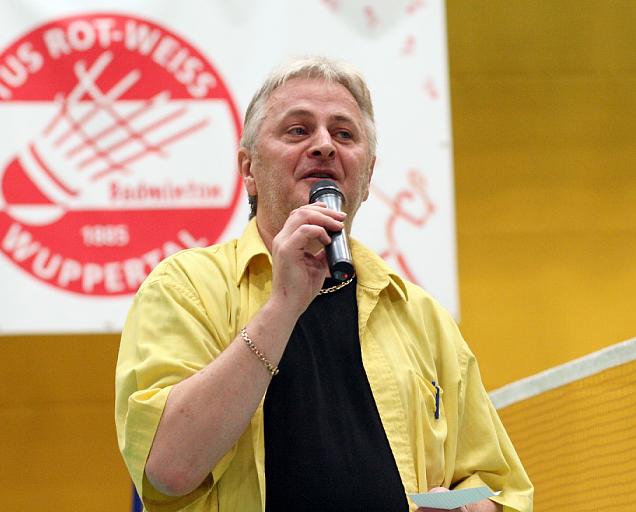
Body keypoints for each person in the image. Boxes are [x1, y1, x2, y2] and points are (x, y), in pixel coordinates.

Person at [115, 56, 533, 512]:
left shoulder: (419, 314)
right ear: (249, 171)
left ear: (368, 176)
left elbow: (498, 488)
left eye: (344, 133)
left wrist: (468, 507)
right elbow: (168, 469)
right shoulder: (184, 288)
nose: (324, 146)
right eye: (298, 130)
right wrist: (283, 305)